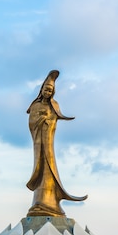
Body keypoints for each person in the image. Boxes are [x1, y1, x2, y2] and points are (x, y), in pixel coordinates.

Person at [26, 70, 87, 217]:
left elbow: (54, 119)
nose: (47, 92)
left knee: (50, 168)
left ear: (53, 92)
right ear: (41, 90)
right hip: (39, 143)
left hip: (48, 141)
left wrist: (48, 121)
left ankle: (50, 202)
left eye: (50, 90)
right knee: (41, 168)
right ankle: (40, 203)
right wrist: (41, 120)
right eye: (46, 89)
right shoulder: (34, 106)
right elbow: (32, 122)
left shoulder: (55, 105)